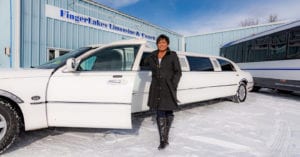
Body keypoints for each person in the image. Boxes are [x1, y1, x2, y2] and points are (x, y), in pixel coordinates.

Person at [143, 34, 182, 150]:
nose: (161, 44)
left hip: (168, 86)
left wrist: (173, 84)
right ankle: (163, 140)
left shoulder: (172, 55)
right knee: (160, 111)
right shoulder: (153, 55)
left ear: (167, 44)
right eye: (159, 42)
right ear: (157, 44)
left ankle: (166, 136)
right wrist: (149, 53)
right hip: (156, 87)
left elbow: (178, 72)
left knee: (168, 111)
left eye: (164, 42)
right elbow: (144, 62)